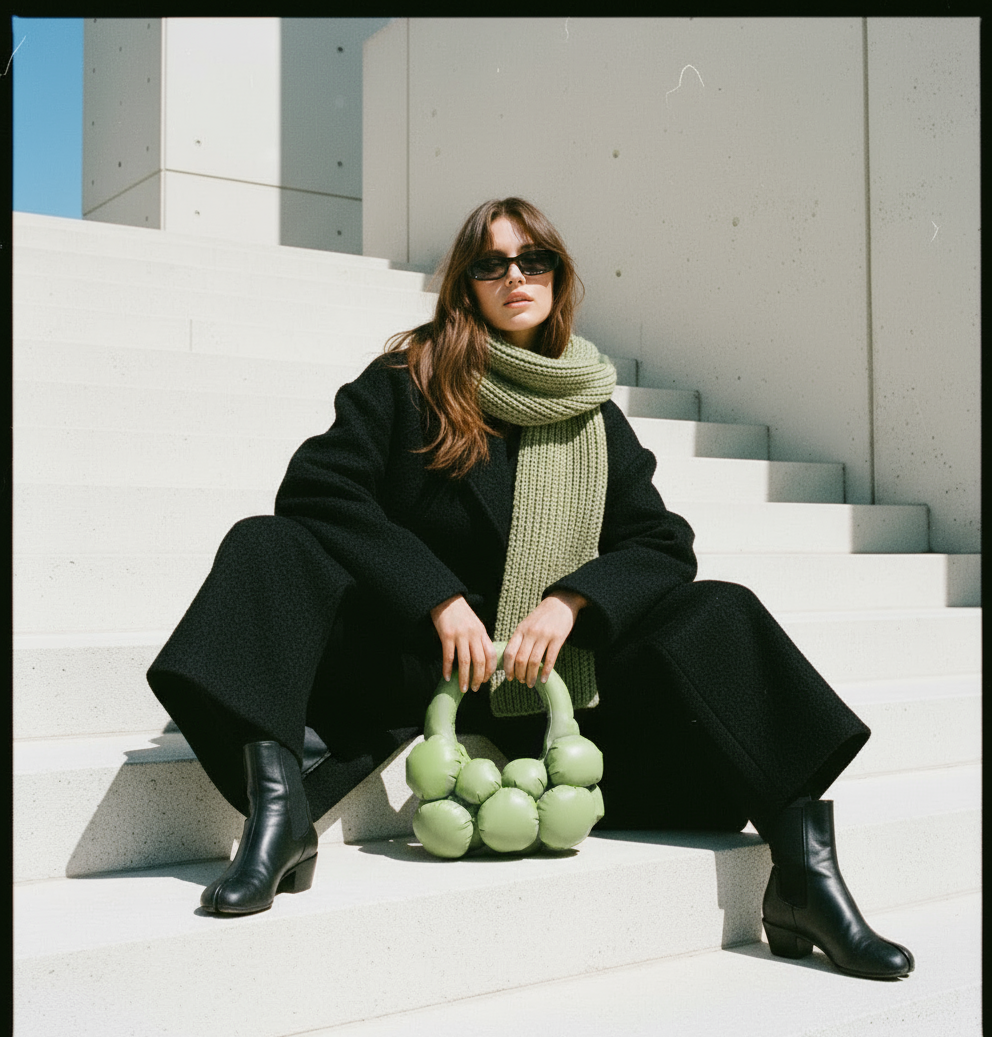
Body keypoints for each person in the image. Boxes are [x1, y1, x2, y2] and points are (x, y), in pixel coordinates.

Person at [147, 197, 914, 980]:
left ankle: (805, 877)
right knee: (268, 542)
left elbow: (660, 542)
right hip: (417, 664)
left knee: (719, 606)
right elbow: (319, 491)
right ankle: (281, 820)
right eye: (492, 264)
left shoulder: (593, 413)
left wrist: (572, 601)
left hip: (550, 692)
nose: (515, 275)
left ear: (557, 275)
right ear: (466, 287)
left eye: (533, 259)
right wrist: (435, 596)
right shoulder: (407, 382)